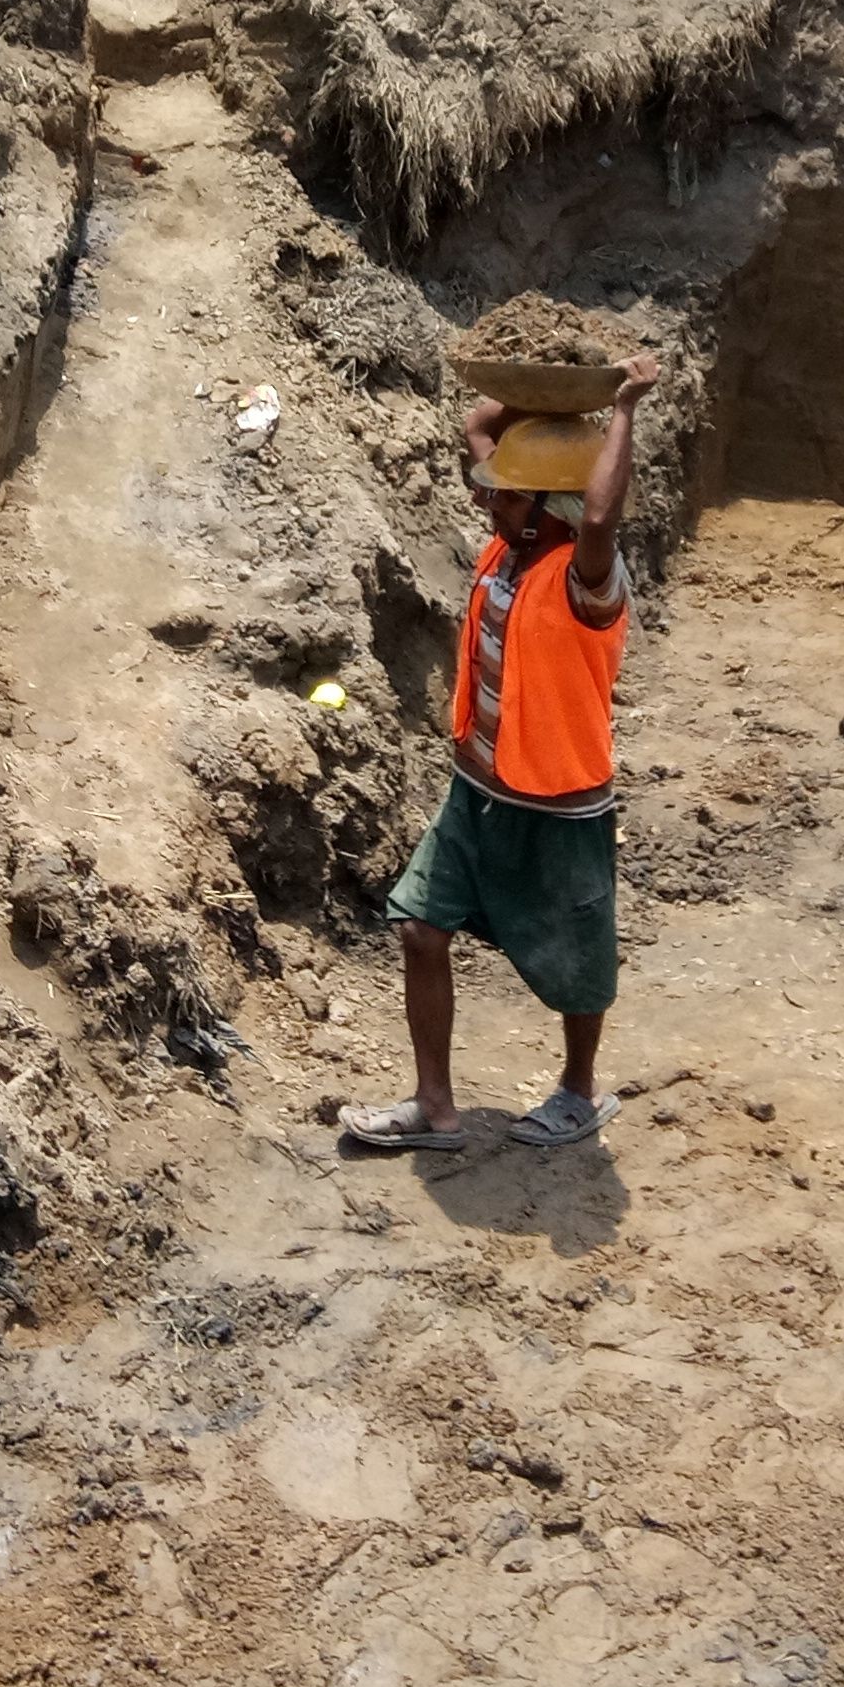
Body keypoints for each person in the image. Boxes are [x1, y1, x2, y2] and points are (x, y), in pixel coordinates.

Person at [345, 353, 659, 1156]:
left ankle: (579, 1092)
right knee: (419, 925)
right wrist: (551, 390)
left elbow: (598, 519)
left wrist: (619, 409)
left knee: (578, 961)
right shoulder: (507, 549)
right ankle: (435, 1107)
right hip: (478, 788)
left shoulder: (586, 578)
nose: (489, 496)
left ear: (548, 507)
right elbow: (478, 427)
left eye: (510, 492)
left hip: (558, 800)